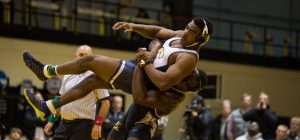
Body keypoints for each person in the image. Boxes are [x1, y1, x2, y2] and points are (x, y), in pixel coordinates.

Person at [21, 16, 212, 120]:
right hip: (139, 68)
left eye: (192, 32)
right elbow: (156, 32)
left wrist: (145, 63)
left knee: (90, 61)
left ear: (200, 39)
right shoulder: (180, 35)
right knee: (91, 81)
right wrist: (133, 26)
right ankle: (49, 107)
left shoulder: (189, 59)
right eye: (187, 27)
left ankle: (46, 71)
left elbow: (162, 83)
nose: (186, 32)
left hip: (142, 78)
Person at [43, 45, 110, 140]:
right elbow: (60, 101)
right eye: (81, 54)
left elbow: (105, 103)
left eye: (87, 55)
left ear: (92, 57)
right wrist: (52, 121)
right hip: (64, 123)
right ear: (76, 57)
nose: (84, 57)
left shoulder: (96, 76)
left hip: (83, 125)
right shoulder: (67, 75)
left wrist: (98, 124)